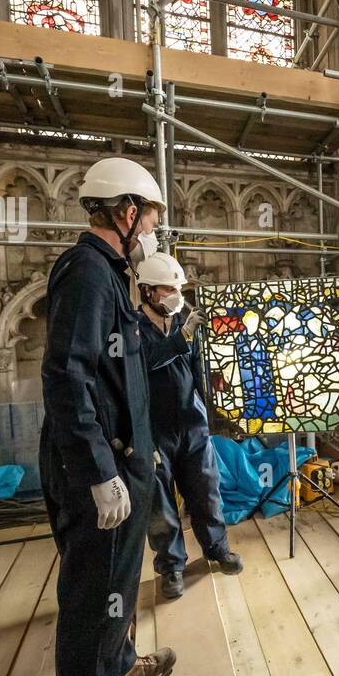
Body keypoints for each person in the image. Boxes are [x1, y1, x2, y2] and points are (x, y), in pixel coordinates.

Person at [40, 156, 176, 676]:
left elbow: (113, 374)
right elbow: (66, 377)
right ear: (125, 212)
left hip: (122, 462)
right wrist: (98, 472)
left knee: (116, 585)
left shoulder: (107, 273)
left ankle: (117, 668)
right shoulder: (88, 276)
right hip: (100, 470)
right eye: (148, 216)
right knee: (94, 598)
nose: (151, 227)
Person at [134, 251, 242, 601]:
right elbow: (146, 363)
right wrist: (181, 337)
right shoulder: (133, 327)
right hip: (154, 428)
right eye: (168, 289)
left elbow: (198, 371)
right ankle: (171, 567)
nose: (175, 296)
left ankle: (217, 548)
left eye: (177, 289)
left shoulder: (182, 322)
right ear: (147, 291)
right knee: (160, 504)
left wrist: (221, 405)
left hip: (192, 422)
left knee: (206, 490)